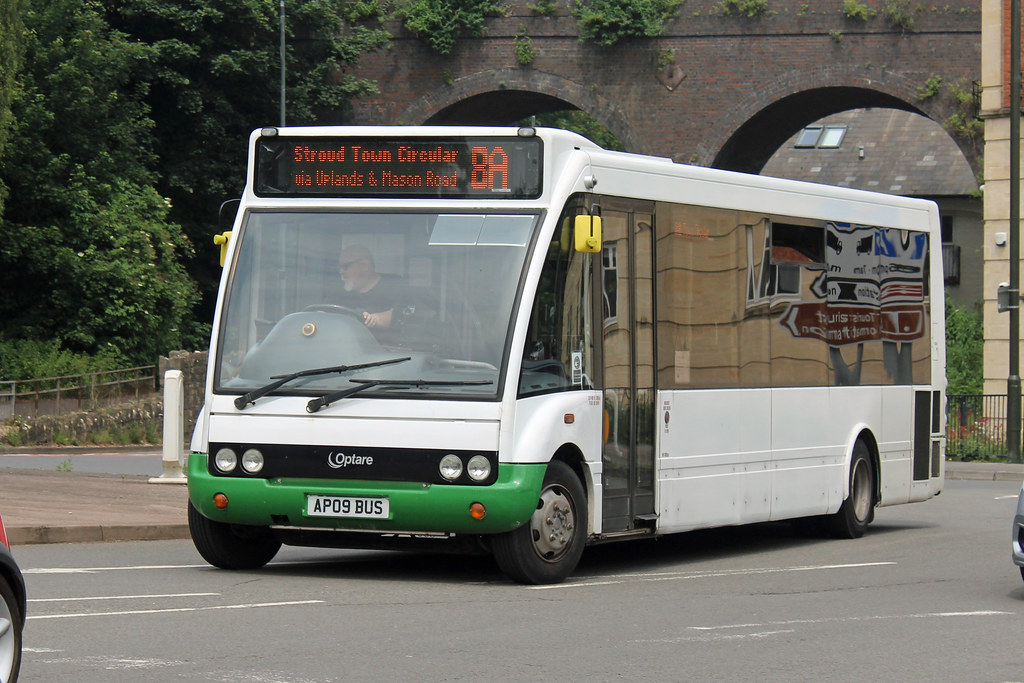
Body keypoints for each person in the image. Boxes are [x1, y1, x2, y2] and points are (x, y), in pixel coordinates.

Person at [336, 245, 409, 339]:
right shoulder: (339, 293)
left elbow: (404, 314)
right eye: (340, 267)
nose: (341, 271)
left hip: (388, 349)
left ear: (364, 265)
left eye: (345, 266)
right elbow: (324, 315)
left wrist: (373, 319)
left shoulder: (394, 285)